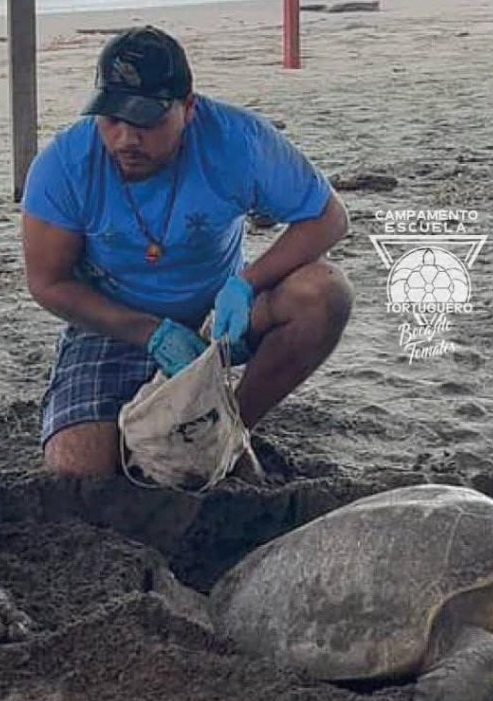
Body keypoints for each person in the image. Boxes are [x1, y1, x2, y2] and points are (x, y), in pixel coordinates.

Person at [21, 25, 353, 478]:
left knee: (325, 291)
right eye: (112, 119)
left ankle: (230, 429)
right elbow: (47, 282)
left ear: (189, 109)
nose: (125, 140)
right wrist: (149, 331)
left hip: (220, 317)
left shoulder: (236, 141)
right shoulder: (64, 165)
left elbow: (328, 217)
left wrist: (244, 284)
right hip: (114, 322)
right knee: (78, 467)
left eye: (147, 122)